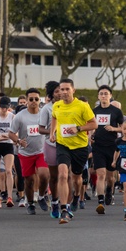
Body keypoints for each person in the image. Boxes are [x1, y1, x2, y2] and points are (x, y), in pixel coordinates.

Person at [50, 78, 96, 223]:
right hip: (63, 145)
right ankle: (64, 209)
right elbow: (54, 118)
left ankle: (76, 196)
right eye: (61, 89)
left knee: (76, 178)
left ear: (73, 90)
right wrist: (53, 133)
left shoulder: (82, 106)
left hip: (80, 147)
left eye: (67, 89)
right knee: (63, 174)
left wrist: (78, 128)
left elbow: (94, 124)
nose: (63, 92)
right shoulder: (56, 106)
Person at [9, 88, 49, 215]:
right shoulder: (20, 116)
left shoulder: (44, 113)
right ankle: (30, 202)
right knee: (29, 180)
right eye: (31, 99)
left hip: (42, 151)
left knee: (44, 174)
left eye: (36, 99)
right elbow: (11, 133)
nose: (33, 101)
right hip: (25, 153)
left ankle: (42, 196)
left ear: (40, 100)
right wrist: (19, 140)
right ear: (26, 101)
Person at [91, 85, 126, 214]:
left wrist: (114, 129)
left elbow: (123, 128)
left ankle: (109, 192)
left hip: (112, 146)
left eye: (106, 93)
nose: (104, 96)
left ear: (110, 96)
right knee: (101, 174)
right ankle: (100, 202)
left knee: (110, 177)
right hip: (98, 146)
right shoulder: (94, 111)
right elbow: (90, 127)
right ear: (98, 96)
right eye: (101, 93)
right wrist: (91, 137)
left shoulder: (116, 111)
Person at [37, 81, 61, 217]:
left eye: (61, 91)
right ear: (51, 94)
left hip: (67, 145)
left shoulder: (68, 107)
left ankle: (65, 205)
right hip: (51, 145)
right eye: (56, 91)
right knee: (53, 177)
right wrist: (52, 133)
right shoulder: (47, 108)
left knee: (66, 175)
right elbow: (41, 129)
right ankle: (54, 201)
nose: (59, 93)